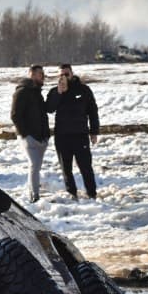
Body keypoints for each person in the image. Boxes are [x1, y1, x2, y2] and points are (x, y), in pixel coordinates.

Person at [45, 63, 100, 200]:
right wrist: (59, 93)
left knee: (85, 167)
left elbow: (92, 111)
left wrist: (94, 132)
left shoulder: (83, 90)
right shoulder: (54, 91)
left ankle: (91, 193)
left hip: (80, 134)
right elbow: (49, 108)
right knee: (66, 168)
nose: (64, 77)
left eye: (66, 74)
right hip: (62, 136)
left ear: (72, 73)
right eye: (61, 75)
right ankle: (72, 192)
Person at [11, 64, 49, 202]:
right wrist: (25, 134)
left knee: (36, 167)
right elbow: (15, 115)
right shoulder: (22, 92)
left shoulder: (37, 92)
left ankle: (34, 192)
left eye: (43, 74)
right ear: (32, 75)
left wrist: (45, 135)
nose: (43, 76)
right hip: (29, 137)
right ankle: (34, 195)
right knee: (34, 165)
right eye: (40, 74)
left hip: (41, 137)